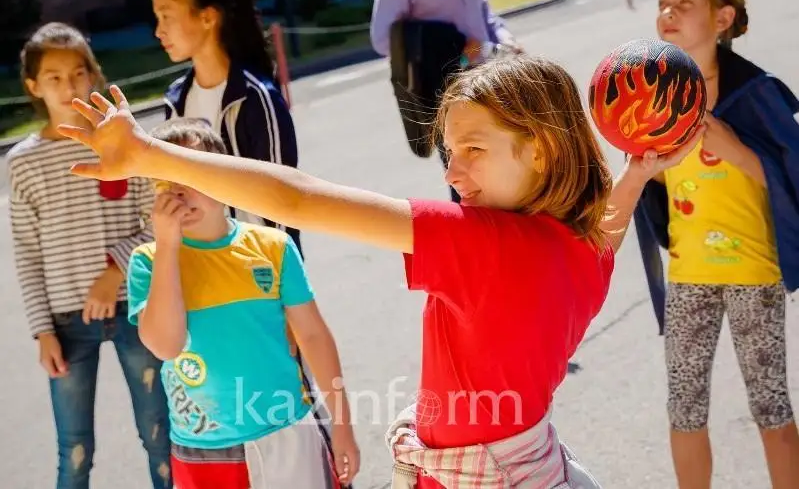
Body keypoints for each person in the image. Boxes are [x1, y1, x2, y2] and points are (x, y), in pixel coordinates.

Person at [58, 55, 697, 487]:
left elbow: (298, 199)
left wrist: (149, 153)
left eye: (474, 149)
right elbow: (608, 227)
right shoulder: (579, 249)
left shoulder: (483, 244)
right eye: (450, 151)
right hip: (531, 462)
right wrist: (636, 172)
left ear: (543, 148)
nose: (452, 173)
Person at [633, 0, 799, 488]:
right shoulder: (655, 97)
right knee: (683, 410)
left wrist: (735, 149)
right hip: (689, 274)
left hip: (754, 272)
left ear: (723, 18)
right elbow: (652, 182)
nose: (668, 13)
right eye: (663, 4)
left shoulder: (754, 91)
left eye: (684, 4)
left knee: (771, 408)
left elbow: (792, 172)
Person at [125, 118, 360, 489]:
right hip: (204, 450)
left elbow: (313, 336)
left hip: (288, 431)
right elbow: (166, 346)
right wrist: (168, 246)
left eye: (191, 173)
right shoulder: (148, 261)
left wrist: (342, 425)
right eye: (166, 181)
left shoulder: (273, 247)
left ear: (226, 178)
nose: (179, 192)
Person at [8, 22, 172, 488]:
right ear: (34, 86)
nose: (69, 86)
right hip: (66, 323)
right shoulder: (22, 162)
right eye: (54, 78)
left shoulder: (122, 142)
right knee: (74, 452)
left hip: (136, 309)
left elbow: (157, 222)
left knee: (160, 436)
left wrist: (115, 270)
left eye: (78, 73)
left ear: (93, 75)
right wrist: (42, 331)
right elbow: (27, 253)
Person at [152, 0, 301, 253]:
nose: (159, 31)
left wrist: (282, 272)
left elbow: (283, 198)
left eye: (166, 16)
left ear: (208, 17)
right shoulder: (176, 100)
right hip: (202, 263)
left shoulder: (256, 96)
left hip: (259, 264)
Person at [369, 0, 523, 202]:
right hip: (449, 91)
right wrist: (452, 45)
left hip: (491, 79)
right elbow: (384, 39)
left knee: (509, 169)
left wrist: (507, 42)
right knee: (469, 183)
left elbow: (483, 11)